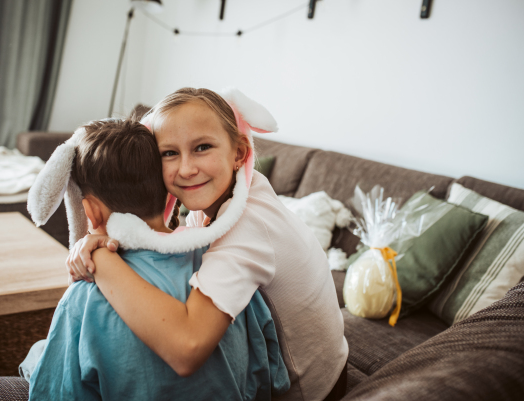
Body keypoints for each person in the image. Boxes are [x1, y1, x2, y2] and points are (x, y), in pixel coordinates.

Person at [68, 88, 349, 401]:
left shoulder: (248, 225)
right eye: (169, 153)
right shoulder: (228, 194)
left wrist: (102, 260)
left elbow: (186, 348)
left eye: (202, 147)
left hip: (312, 392)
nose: (186, 169)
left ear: (239, 153)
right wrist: (117, 235)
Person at [27, 118, 290, 400]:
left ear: (90, 212)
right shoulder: (225, 269)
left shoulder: (84, 296)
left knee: (34, 358)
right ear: (167, 190)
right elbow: (271, 376)